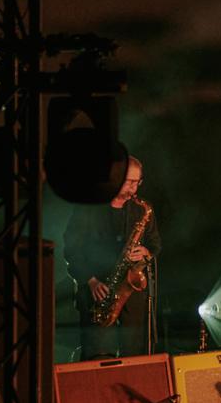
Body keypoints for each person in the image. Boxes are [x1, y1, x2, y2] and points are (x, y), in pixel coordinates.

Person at [63, 154, 159, 359]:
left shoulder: (141, 209)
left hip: (131, 294)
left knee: (134, 354)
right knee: (97, 356)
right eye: (128, 182)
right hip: (96, 292)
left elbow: (155, 244)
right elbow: (72, 249)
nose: (133, 188)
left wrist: (146, 252)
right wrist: (91, 281)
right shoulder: (88, 208)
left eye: (137, 182)